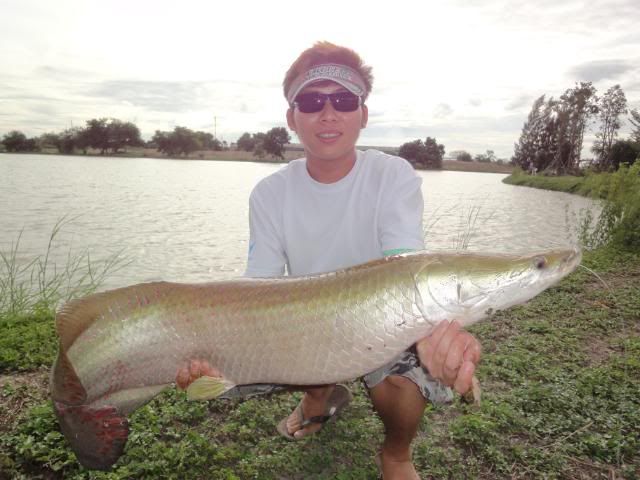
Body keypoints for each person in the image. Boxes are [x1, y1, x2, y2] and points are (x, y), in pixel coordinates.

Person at [177, 41, 481, 479]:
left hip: (383, 323)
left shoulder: (392, 175)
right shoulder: (269, 193)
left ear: (363, 114)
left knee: (406, 383)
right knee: (220, 377)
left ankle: (396, 454)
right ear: (292, 118)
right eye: (311, 102)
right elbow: (257, 288)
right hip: (305, 329)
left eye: (343, 100)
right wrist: (212, 353)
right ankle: (319, 394)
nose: (328, 113)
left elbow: (405, 266)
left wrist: (435, 334)